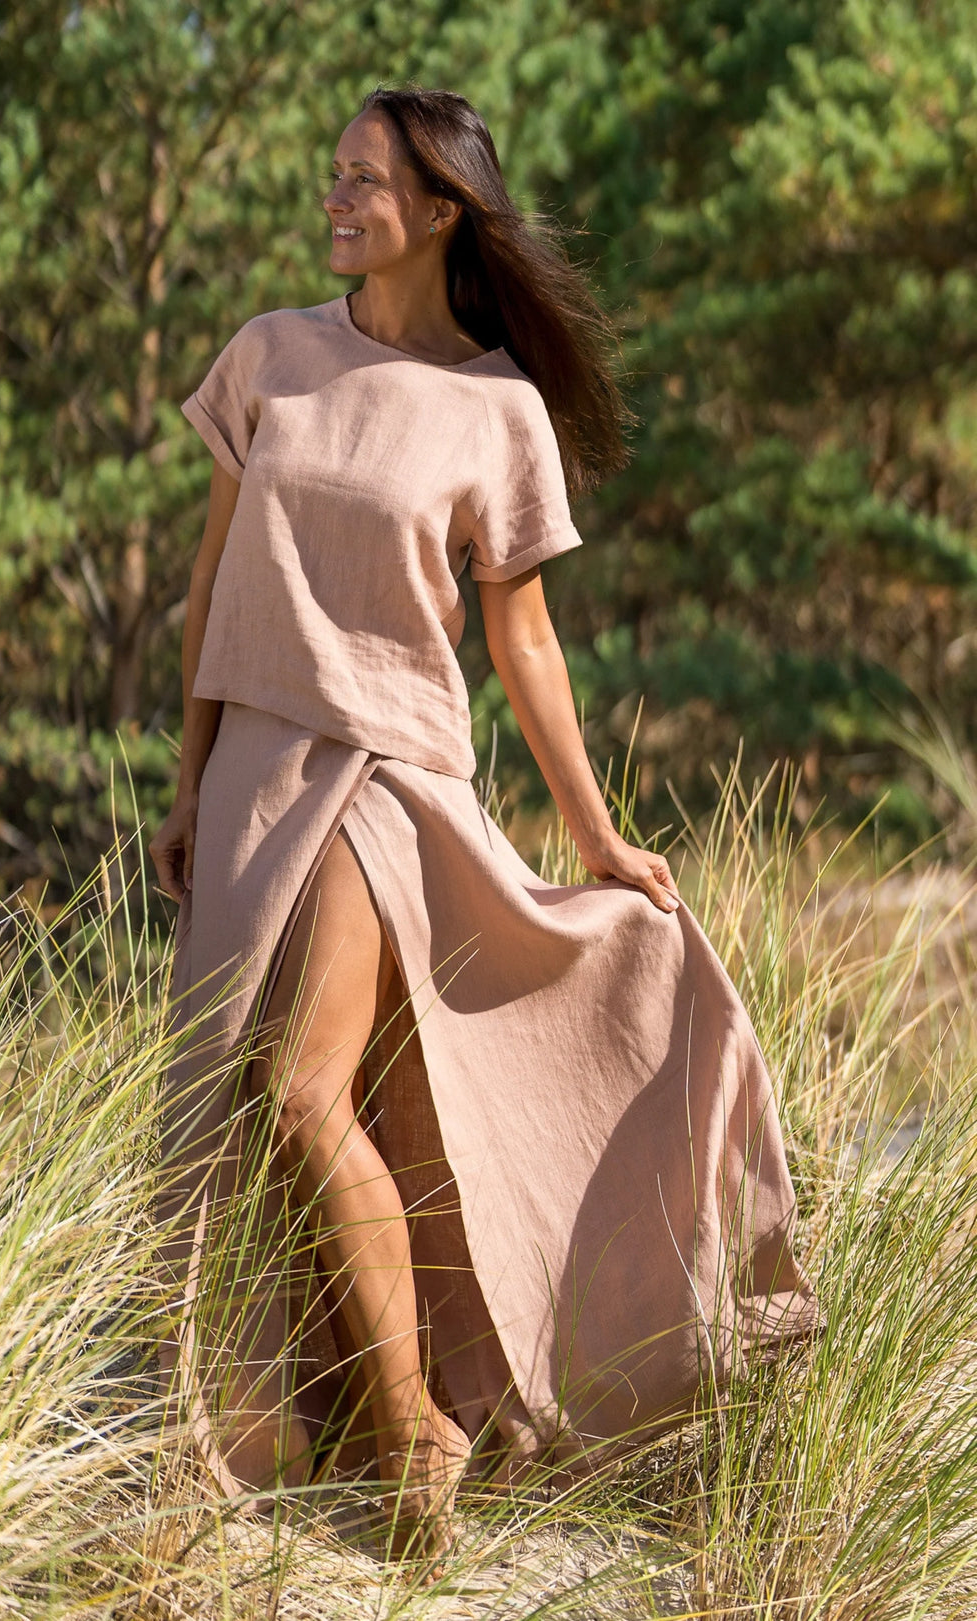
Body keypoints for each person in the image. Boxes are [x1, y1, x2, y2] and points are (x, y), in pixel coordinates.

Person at [149, 85, 817, 1564]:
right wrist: (190, 778)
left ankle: (414, 1444)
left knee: (303, 1088)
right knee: (282, 1121)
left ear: (440, 209)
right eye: (332, 173)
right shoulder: (272, 353)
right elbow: (211, 585)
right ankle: (327, 1416)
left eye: (367, 180)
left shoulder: (500, 409)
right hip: (254, 769)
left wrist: (594, 832)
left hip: (381, 780)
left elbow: (526, 647)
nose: (338, 198)